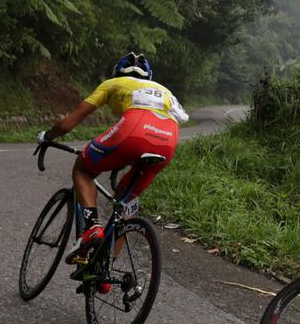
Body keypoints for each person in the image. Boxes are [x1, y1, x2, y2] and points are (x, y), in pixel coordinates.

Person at [37, 52, 188, 265]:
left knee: (83, 170)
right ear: (149, 77)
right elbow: (172, 121)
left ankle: (91, 228)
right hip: (168, 140)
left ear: (117, 72)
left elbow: (66, 125)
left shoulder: (112, 83)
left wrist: (47, 137)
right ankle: (105, 266)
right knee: (125, 202)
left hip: (134, 129)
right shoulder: (163, 91)